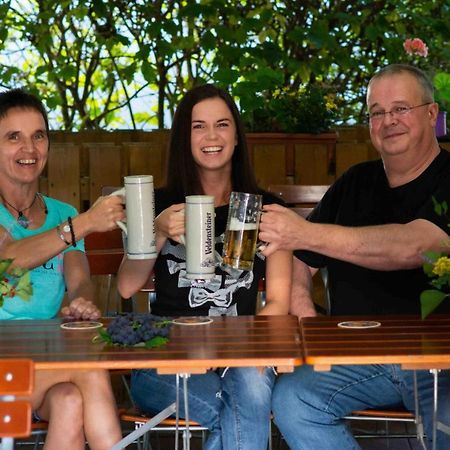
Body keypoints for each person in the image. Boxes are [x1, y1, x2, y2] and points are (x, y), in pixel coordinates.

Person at [258, 64, 450, 449]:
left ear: (432, 114)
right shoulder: (355, 182)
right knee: (292, 399)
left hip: (440, 361)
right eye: (377, 113)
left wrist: (306, 232)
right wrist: (304, 311)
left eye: (400, 108)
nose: (388, 121)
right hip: (358, 357)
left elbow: (417, 246)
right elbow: (299, 257)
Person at [117, 84, 292, 449]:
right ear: (184, 137)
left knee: (248, 394)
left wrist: (254, 356)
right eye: (198, 126)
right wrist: (157, 230)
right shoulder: (159, 205)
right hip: (165, 354)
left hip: (240, 352)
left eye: (222, 125)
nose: (211, 136)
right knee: (242, 407)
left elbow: (277, 301)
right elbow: (126, 286)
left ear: (237, 136)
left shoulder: (266, 210)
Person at [0, 88, 124, 450]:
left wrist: (82, 303)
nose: (29, 148)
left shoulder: (61, 213)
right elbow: (10, 261)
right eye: (13, 137)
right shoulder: (72, 222)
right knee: (88, 369)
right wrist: (83, 224)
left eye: (38, 136)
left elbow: (81, 280)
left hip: (42, 358)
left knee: (70, 401)